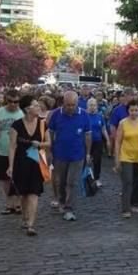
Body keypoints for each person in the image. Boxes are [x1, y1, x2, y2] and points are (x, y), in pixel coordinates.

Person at [6, 95, 50, 236]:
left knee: (34, 193)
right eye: (35, 105)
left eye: (38, 105)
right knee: (24, 194)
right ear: (27, 109)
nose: (39, 107)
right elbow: (12, 147)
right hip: (20, 163)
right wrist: (10, 166)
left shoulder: (43, 124)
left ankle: (31, 224)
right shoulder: (16, 125)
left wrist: (41, 144)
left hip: (37, 163)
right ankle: (25, 218)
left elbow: (50, 143)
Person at [48, 91, 92, 221]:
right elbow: (50, 133)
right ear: (63, 103)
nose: (71, 107)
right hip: (60, 155)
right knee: (60, 182)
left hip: (77, 155)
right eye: (68, 105)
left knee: (72, 182)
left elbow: (88, 134)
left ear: (77, 103)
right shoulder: (56, 114)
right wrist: (49, 151)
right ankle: (62, 201)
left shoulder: (84, 115)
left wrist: (88, 153)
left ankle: (69, 207)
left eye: (73, 105)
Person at [0, 89, 23, 214]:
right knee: (5, 178)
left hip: (19, 151)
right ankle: (9, 204)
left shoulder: (23, 113)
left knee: (18, 178)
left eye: (16, 102)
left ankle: (18, 203)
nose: (13, 104)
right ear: (6, 101)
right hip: (2, 149)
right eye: (10, 101)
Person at [113, 99, 138, 218]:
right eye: (131, 110)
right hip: (126, 157)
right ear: (127, 110)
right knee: (127, 181)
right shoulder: (123, 123)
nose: (134, 113)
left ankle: (135, 203)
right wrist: (117, 159)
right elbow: (118, 142)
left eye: (136, 110)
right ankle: (126, 208)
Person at [86, 98, 111, 187]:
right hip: (86, 142)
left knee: (97, 161)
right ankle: (85, 178)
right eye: (90, 105)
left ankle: (97, 178)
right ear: (87, 106)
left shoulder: (100, 116)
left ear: (96, 106)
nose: (92, 107)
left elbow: (103, 129)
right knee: (86, 161)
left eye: (94, 105)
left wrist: (107, 140)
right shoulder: (84, 116)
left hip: (98, 142)